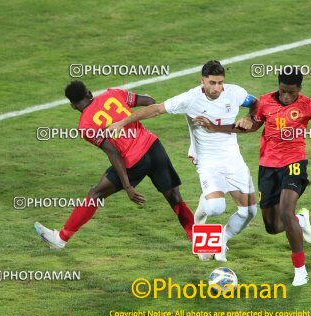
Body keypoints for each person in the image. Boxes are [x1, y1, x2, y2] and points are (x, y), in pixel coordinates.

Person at [193, 68, 311, 286]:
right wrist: (215, 127)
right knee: (273, 227)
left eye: (291, 93)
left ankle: (300, 271)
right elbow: (251, 127)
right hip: (267, 167)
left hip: (295, 163)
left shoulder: (306, 104)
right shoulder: (265, 102)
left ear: (300, 89)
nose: (286, 97)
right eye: (283, 91)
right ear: (278, 86)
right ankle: (300, 220)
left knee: (286, 211)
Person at [107, 60, 256, 262]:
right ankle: (200, 217)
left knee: (249, 212)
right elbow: (157, 109)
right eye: (212, 83)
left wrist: (249, 115)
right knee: (216, 208)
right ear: (202, 80)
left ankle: (222, 239)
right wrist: (123, 122)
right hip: (208, 160)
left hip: (233, 158)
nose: (217, 88)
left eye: (220, 82)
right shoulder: (190, 99)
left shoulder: (235, 93)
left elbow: (257, 103)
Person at [34, 81, 194, 249]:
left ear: (73, 106)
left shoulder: (85, 126)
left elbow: (114, 153)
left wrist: (127, 186)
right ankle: (198, 239)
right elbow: (149, 101)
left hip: (133, 161)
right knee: (174, 197)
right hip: (154, 147)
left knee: (95, 194)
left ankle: (61, 239)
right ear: (89, 92)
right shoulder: (113, 93)